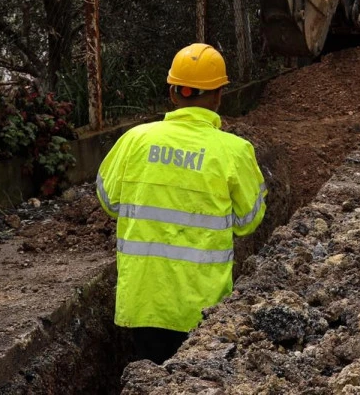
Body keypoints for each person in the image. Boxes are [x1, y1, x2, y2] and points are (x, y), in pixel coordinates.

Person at [96, 43, 266, 364]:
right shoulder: (235, 151)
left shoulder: (135, 140)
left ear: (174, 93)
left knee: (150, 378)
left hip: (143, 300)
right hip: (203, 306)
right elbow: (250, 220)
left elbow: (107, 199)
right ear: (218, 96)